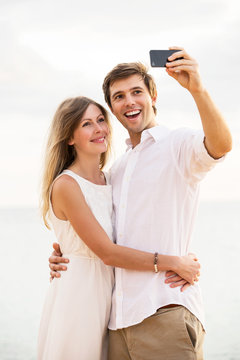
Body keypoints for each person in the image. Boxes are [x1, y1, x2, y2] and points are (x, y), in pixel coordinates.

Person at [49, 47, 232, 359]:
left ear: (153, 95)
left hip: (165, 311)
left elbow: (220, 145)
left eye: (136, 91)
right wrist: (66, 252)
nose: (129, 101)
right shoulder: (115, 172)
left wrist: (197, 89)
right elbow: (104, 237)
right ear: (113, 109)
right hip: (116, 324)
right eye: (119, 96)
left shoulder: (177, 145)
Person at [38, 95, 201, 360]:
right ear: (70, 137)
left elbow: (140, 225)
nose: (99, 129)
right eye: (87, 124)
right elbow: (108, 252)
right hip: (80, 294)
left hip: (112, 298)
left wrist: (184, 252)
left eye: (101, 120)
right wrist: (175, 262)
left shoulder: (111, 178)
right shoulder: (66, 185)